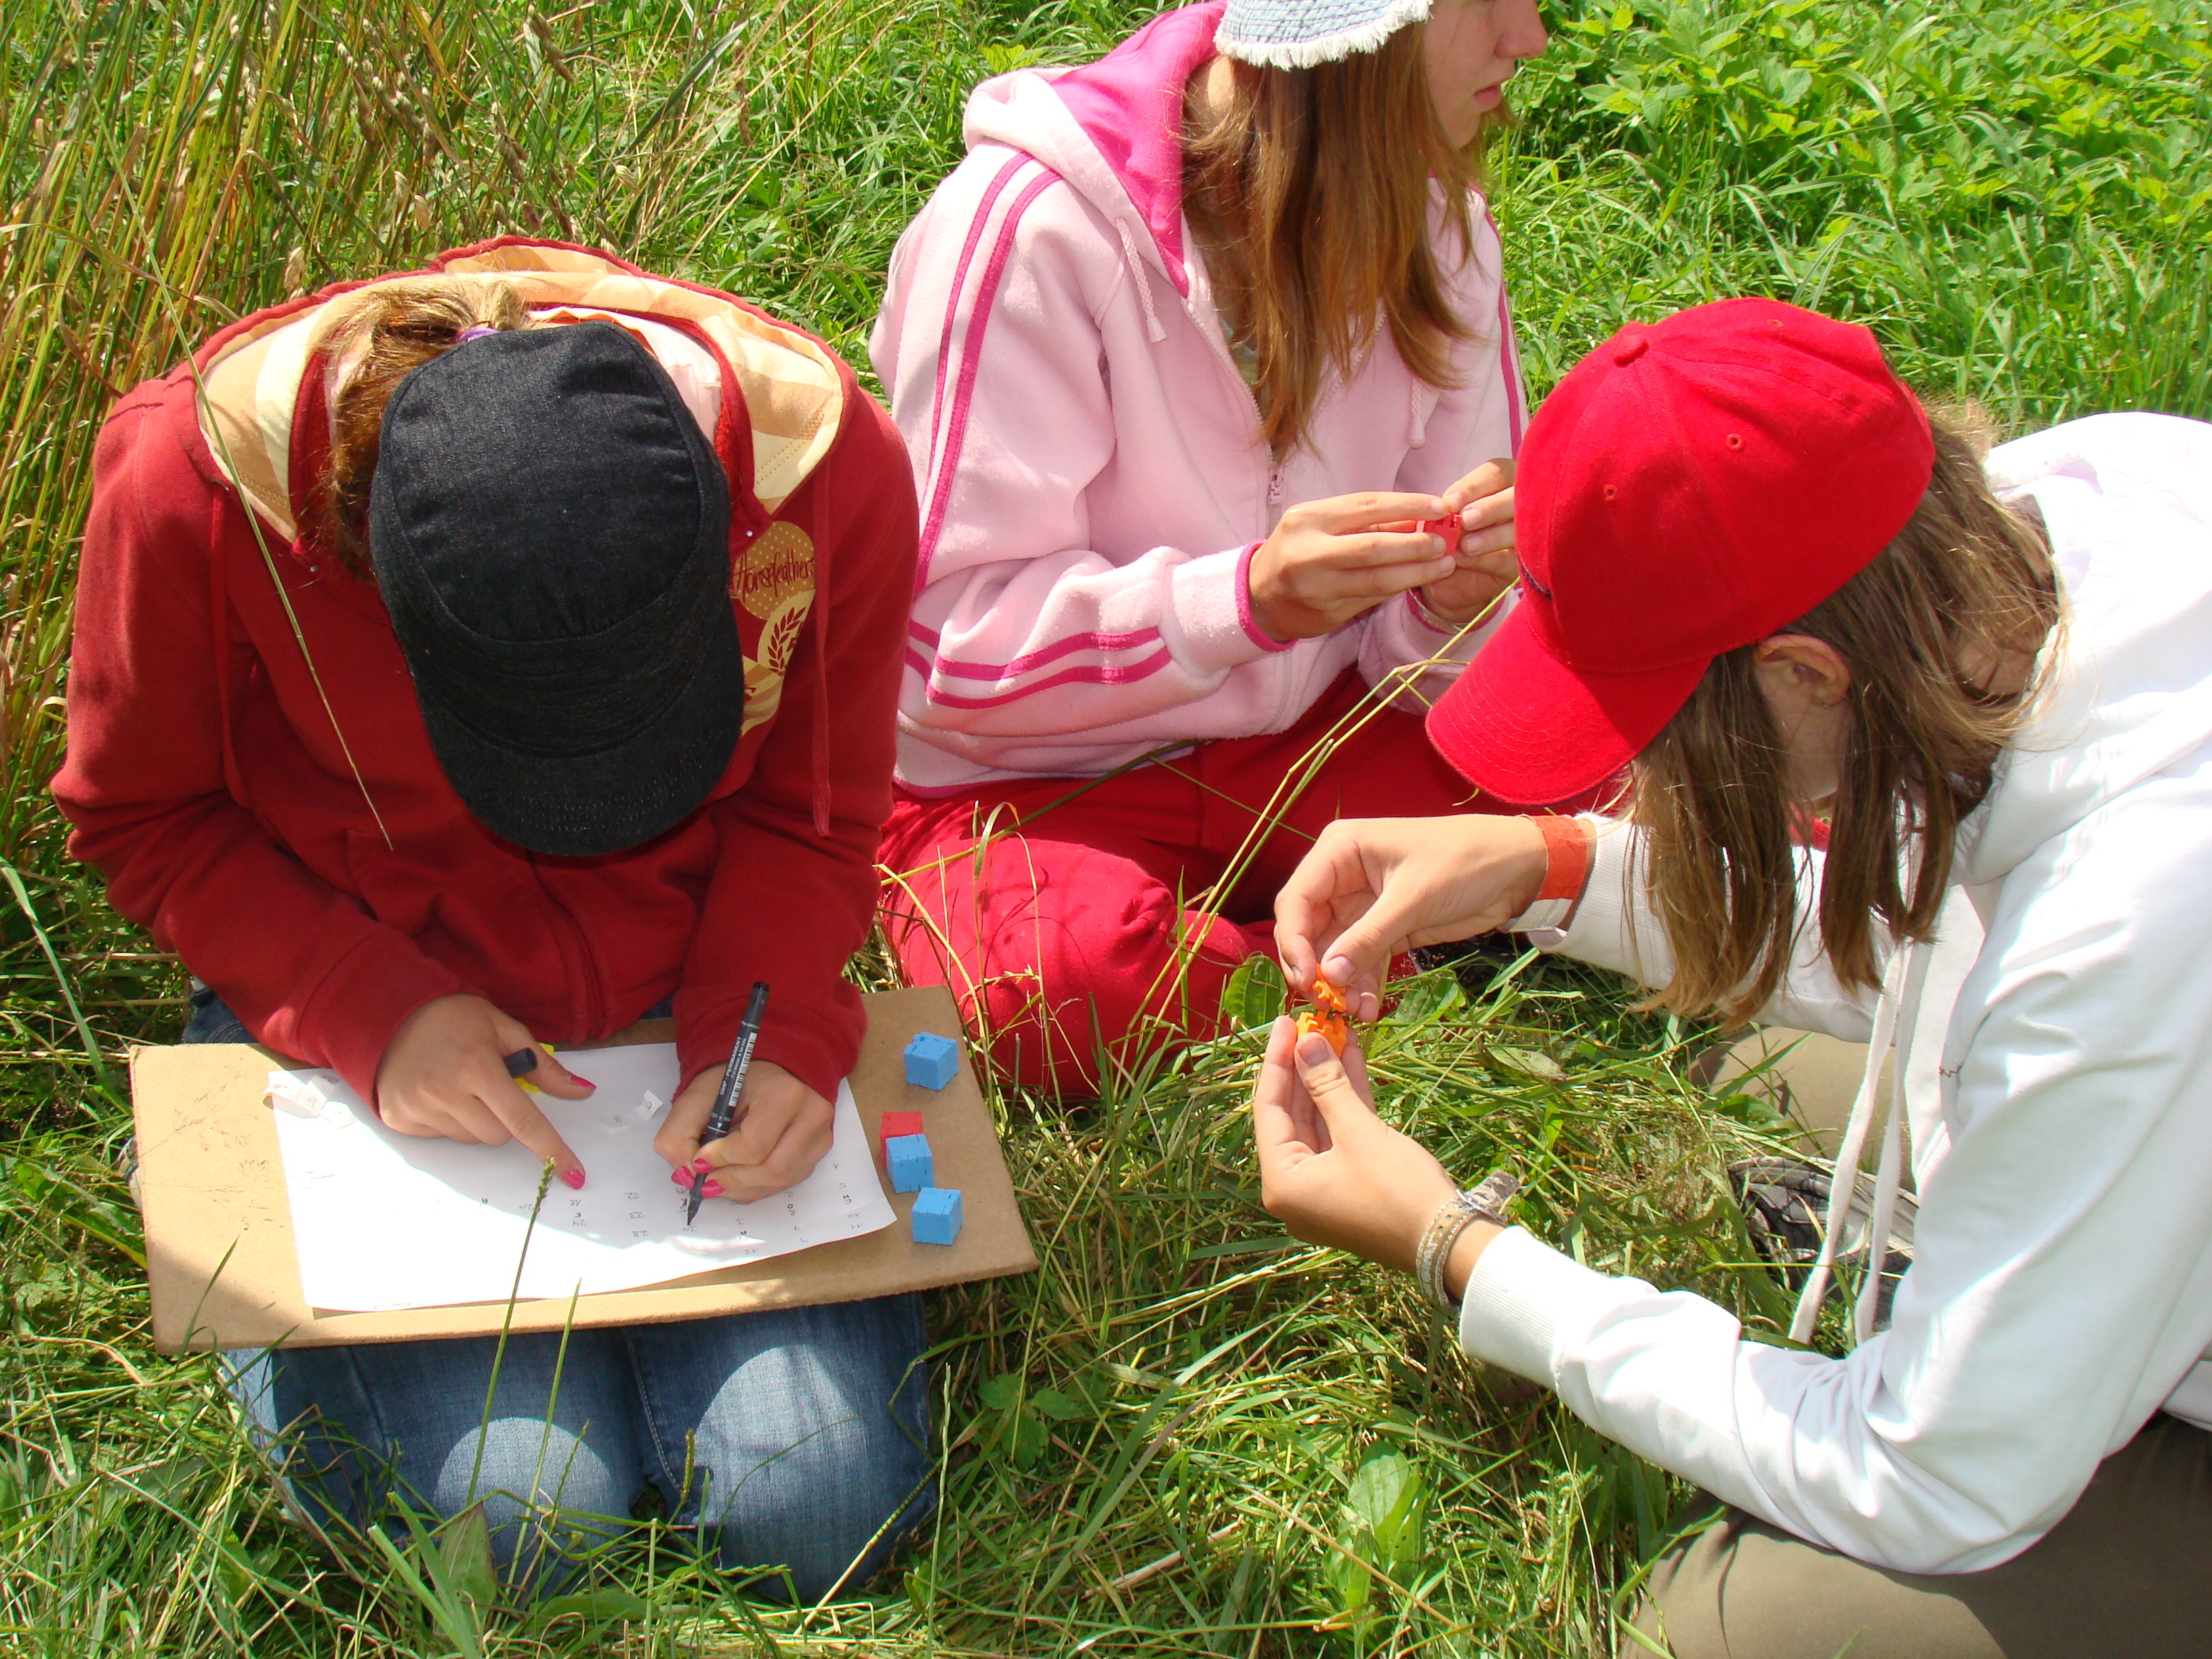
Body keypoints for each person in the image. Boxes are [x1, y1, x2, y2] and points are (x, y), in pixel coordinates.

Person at [1256, 298, 2212, 1656]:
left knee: (1716, 1631)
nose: (1643, 774)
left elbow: (1934, 1481)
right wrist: (1548, 865)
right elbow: (1946, 929)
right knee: (1757, 1039)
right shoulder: (2069, 518)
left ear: (1806, 673)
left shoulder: (2128, 928)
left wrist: (1463, 1253)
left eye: (1656, 733)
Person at [53, 238, 930, 1598]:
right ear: (375, 586)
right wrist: (372, 1012)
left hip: (691, 981)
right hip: (350, 1011)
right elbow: (143, 816)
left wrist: (769, 1025)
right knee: (522, 1524)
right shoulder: (193, 490)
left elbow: (811, 815)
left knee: (817, 1502)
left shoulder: (818, 470)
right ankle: (241, 1210)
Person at [869, 0, 1587, 1095]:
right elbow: (946, 653)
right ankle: (1377, 955)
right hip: (1030, 781)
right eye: (1481, 0)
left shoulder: (1437, 226)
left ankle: (1319, 949)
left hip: (1314, 733)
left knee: (1601, 777)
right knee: (1051, 986)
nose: (1525, 37)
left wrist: (1447, 602)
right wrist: (1240, 605)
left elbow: (1447, 675)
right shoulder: (1034, 229)